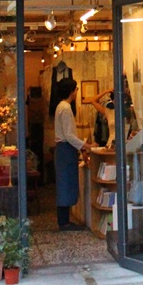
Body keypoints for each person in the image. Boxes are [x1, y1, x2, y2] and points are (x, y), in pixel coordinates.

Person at [53, 77, 90, 231]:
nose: (76, 92)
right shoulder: (66, 108)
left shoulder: (60, 106)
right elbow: (69, 135)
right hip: (66, 149)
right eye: (76, 89)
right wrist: (86, 145)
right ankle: (64, 221)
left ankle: (64, 220)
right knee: (66, 183)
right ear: (71, 91)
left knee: (64, 183)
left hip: (63, 149)